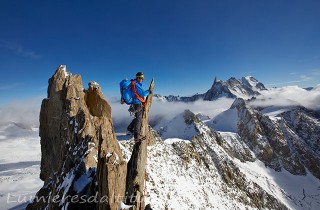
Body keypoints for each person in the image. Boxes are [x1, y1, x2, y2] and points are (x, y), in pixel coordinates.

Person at [126, 72, 151, 143]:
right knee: (138, 119)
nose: (141, 79)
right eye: (139, 78)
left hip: (134, 103)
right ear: (137, 77)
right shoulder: (136, 84)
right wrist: (148, 92)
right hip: (137, 103)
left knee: (137, 117)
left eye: (142, 78)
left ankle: (129, 128)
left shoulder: (133, 83)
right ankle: (137, 136)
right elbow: (142, 93)